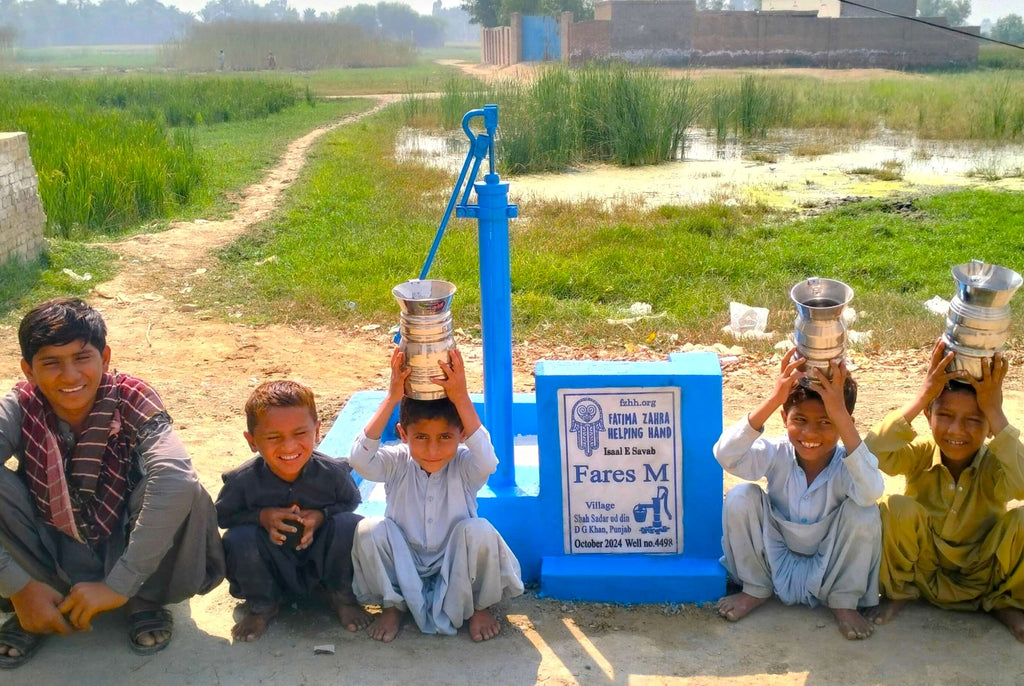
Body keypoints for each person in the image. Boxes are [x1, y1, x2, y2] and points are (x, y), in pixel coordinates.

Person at [0, 298, 225, 669]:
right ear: (28, 370)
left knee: (184, 489)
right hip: (51, 547)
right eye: (51, 363)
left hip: (129, 547)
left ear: (104, 358)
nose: (70, 376)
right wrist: (17, 585)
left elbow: (174, 476)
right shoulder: (20, 407)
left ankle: (142, 598)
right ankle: (38, 600)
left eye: (81, 358)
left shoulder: (132, 397)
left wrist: (120, 583)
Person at [349, 347, 524, 643]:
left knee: (479, 531)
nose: (433, 450)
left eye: (445, 437)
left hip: (455, 562)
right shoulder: (396, 461)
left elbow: (489, 460)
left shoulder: (466, 465)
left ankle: (480, 607)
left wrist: (461, 397)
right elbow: (359, 460)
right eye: (421, 437)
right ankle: (394, 605)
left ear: (461, 436)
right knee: (369, 530)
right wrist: (392, 396)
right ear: (403, 435)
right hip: (406, 558)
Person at [714, 348, 884, 640]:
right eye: (800, 420)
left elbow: (872, 491)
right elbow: (726, 455)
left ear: (846, 423)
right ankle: (756, 588)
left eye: (826, 422)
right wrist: (774, 398)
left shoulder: (849, 462)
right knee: (741, 496)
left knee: (865, 513)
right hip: (774, 554)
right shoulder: (777, 452)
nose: (810, 434)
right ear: (784, 416)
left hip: (829, 563)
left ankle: (843, 602)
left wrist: (840, 414)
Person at [864, 339, 1024, 642]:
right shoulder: (921, 454)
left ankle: (1006, 602)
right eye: (946, 416)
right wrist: (924, 393)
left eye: (974, 420)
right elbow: (871, 453)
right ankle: (899, 593)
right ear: (928, 415)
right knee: (895, 506)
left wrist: (995, 410)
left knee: (1023, 520)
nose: (956, 431)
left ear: (990, 425)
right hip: (926, 571)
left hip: (983, 574)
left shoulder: (996, 464)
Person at [215, 380, 369, 642]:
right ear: (252, 441)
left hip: (319, 564)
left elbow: (350, 502)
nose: (289, 447)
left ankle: (341, 597)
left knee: (350, 524)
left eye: (300, 434)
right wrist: (261, 517)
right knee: (237, 538)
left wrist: (321, 517)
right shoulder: (242, 481)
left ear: (317, 431)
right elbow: (223, 517)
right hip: (270, 566)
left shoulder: (332, 473)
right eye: (274, 437)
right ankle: (262, 606)